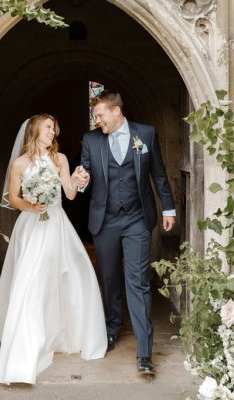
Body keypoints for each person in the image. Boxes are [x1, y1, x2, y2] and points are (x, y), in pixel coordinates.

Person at [0, 114, 107, 385]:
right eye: (48, 127)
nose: (53, 132)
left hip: (57, 225)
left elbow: (70, 194)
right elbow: (13, 197)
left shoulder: (60, 159)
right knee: (32, 282)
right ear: (35, 130)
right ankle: (28, 342)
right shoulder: (20, 163)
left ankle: (64, 332)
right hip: (31, 227)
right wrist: (30, 205)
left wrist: (77, 180)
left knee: (71, 276)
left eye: (54, 128)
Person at [77, 91, 176, 375]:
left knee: (138, 281)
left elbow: (158, 173)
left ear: (117, 111)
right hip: (105, 220)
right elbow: (83, 177)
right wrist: (81, 180)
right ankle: (113, 327)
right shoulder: (91, 140)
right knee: (109, 280)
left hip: (136, 218)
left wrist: (168, 209)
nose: (98, 121)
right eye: (96, 116)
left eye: (100, 115)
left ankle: (145, 352)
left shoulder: (145, 134)